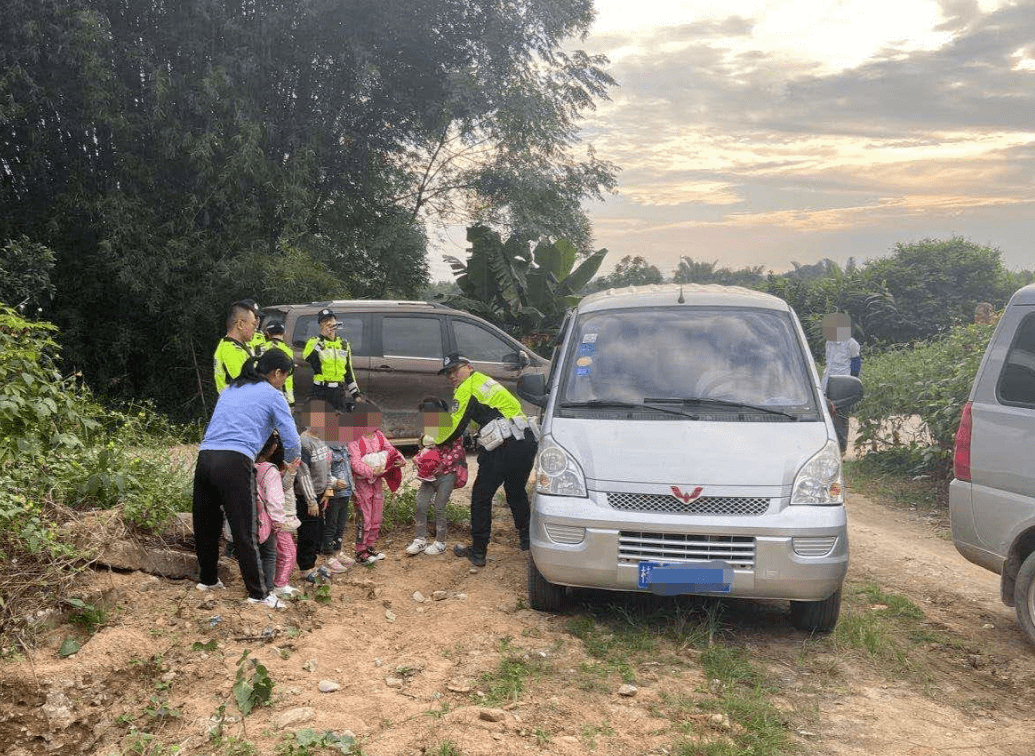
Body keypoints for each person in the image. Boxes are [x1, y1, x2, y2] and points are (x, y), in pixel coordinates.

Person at [192, 348, 299, 608]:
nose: (283, 382)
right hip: (235, 461)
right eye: (284, 377)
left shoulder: (232, 389)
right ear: (276, 373)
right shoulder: (273, 395)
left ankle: (207, 580)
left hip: (205, 458)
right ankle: (259, 594)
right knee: (245, 530)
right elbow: (292, 438)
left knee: (206, 524)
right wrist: (290, 461)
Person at [434, 352, 538, 567]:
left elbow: (453, 427)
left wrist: (432, 439)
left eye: (455, 370)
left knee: (481, 496)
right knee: (516, 490)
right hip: (525, 439)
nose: (451, 376)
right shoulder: (487, 382)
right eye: (447, 373)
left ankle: (478, 551)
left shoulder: (467, 388)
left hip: (504, 444)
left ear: (469, 367)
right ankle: (528, 541)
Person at [405, 397, 468, 557]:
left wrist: (440, 465)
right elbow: (425, 450)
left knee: (439, 507)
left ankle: (440, 543)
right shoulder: (428, 430)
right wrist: (418, 458)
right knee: (421, 505)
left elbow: (457, 452)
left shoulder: (453, 428)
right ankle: (420, 539)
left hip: (447, 475)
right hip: (429, 476)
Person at [347, 401, 404, 565]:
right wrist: (371, 471)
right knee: (363, 517)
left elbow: (391, 450)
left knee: (376, 515)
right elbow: (355, 463)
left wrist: (399, 459)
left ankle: (370, 546)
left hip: (377, 482)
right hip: (362, 484)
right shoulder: (354, 439)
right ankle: (360, 550)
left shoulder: (378, 435)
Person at [255, 433, 303, 598]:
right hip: (278, 522)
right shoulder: (271, 471)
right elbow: (276, 497)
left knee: (275, 554)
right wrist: (278, 522)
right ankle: (278, 585)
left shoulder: (254, 467)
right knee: (286, 554)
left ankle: (274, 584)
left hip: (264, 521)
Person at [303, 308, 361, 412]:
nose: (329, 323)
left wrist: (356, 394)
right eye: (325, 321)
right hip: (320, 391)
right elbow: (309, 358)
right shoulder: (314, 341)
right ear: (320, 325)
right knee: (318, 425)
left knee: (339, 424)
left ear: (336, 321)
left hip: (338, 391)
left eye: (331, 320)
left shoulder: (343, 344)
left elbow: (348, 372)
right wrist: (322, 338)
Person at [821, 313, 861, 453]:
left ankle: (841, 449)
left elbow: (856, 365)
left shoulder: (851, 343)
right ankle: (828, 446)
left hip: (842, 384)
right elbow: (829, 364)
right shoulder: (829, 343)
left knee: (840, 418)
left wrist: (851, 384)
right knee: (826, 416)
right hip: (827, 383)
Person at [213, 300, 260, 394]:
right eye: (253, 324)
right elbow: (248, 386)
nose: (255, 329)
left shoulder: (237, 345)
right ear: (240, 324)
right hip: (238, 406)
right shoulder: (231, 350)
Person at [260, 321, 295, 405]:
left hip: (262, 393)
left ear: (268, 333)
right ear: (284, 333)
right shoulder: (288, 350)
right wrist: (290, 401)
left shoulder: (261, 348)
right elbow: (288, 377)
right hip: (283, 394)